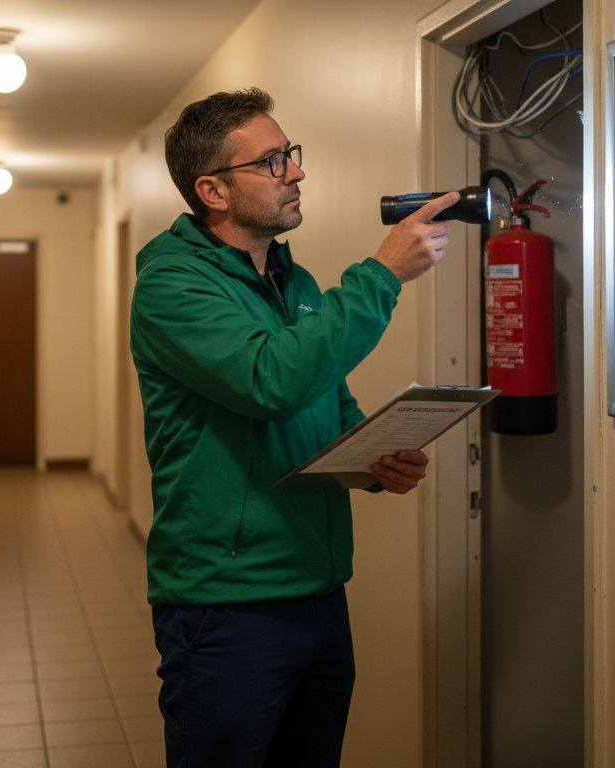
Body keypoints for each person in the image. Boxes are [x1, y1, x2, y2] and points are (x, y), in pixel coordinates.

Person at [130, 87, 460, 768]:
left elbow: (326, 404)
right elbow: (270, 381)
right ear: (213, 190)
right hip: (228, 603)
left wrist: (373, 459)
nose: (297, 172)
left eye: (292, 156)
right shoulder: (171, 288)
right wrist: (382, 275)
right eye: (274, 161)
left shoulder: (296, 281)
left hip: (318, 588)